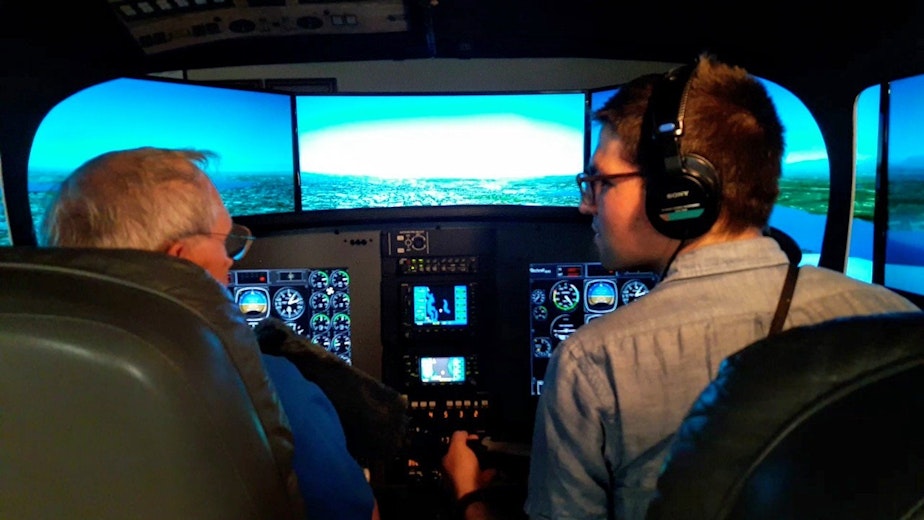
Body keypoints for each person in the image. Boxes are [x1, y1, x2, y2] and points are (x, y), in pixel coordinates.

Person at [443, 53, 921, 519]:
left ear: (680, 191)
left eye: (600, 182)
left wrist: (468, 494)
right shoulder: (894, 319)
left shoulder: (594, 364)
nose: (586, 206)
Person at [39, 146, 382, 520]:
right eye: (226, 240)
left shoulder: (29, 381)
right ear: (181, 262)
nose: (231, 259)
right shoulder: (269, 389)